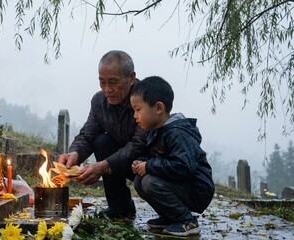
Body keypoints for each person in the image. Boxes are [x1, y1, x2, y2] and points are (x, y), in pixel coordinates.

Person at [57, 50, 146, 218]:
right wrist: (74, 154)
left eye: (113, 82)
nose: (107, 89)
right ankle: (120, 206)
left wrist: (103, 166)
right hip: (119, 161)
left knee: (146, 180)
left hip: (147, 160)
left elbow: (139, 144)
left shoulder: (145, 98)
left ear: (131, 78)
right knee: (101, 141)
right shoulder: (99, 101)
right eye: (102, 82)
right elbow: (87, 134)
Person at [130, 76, 214, 236]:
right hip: (181, 183)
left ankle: (186, 221)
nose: (135, 116)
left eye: (138, 110)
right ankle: (170, 216)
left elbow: (183, 166)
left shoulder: (177, 133)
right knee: (140, 181)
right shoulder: (157, 131)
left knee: (149, 182)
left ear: (158, 108)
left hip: (197, 189)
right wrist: (143, 163)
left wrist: (148, 166)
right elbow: (164, 160)